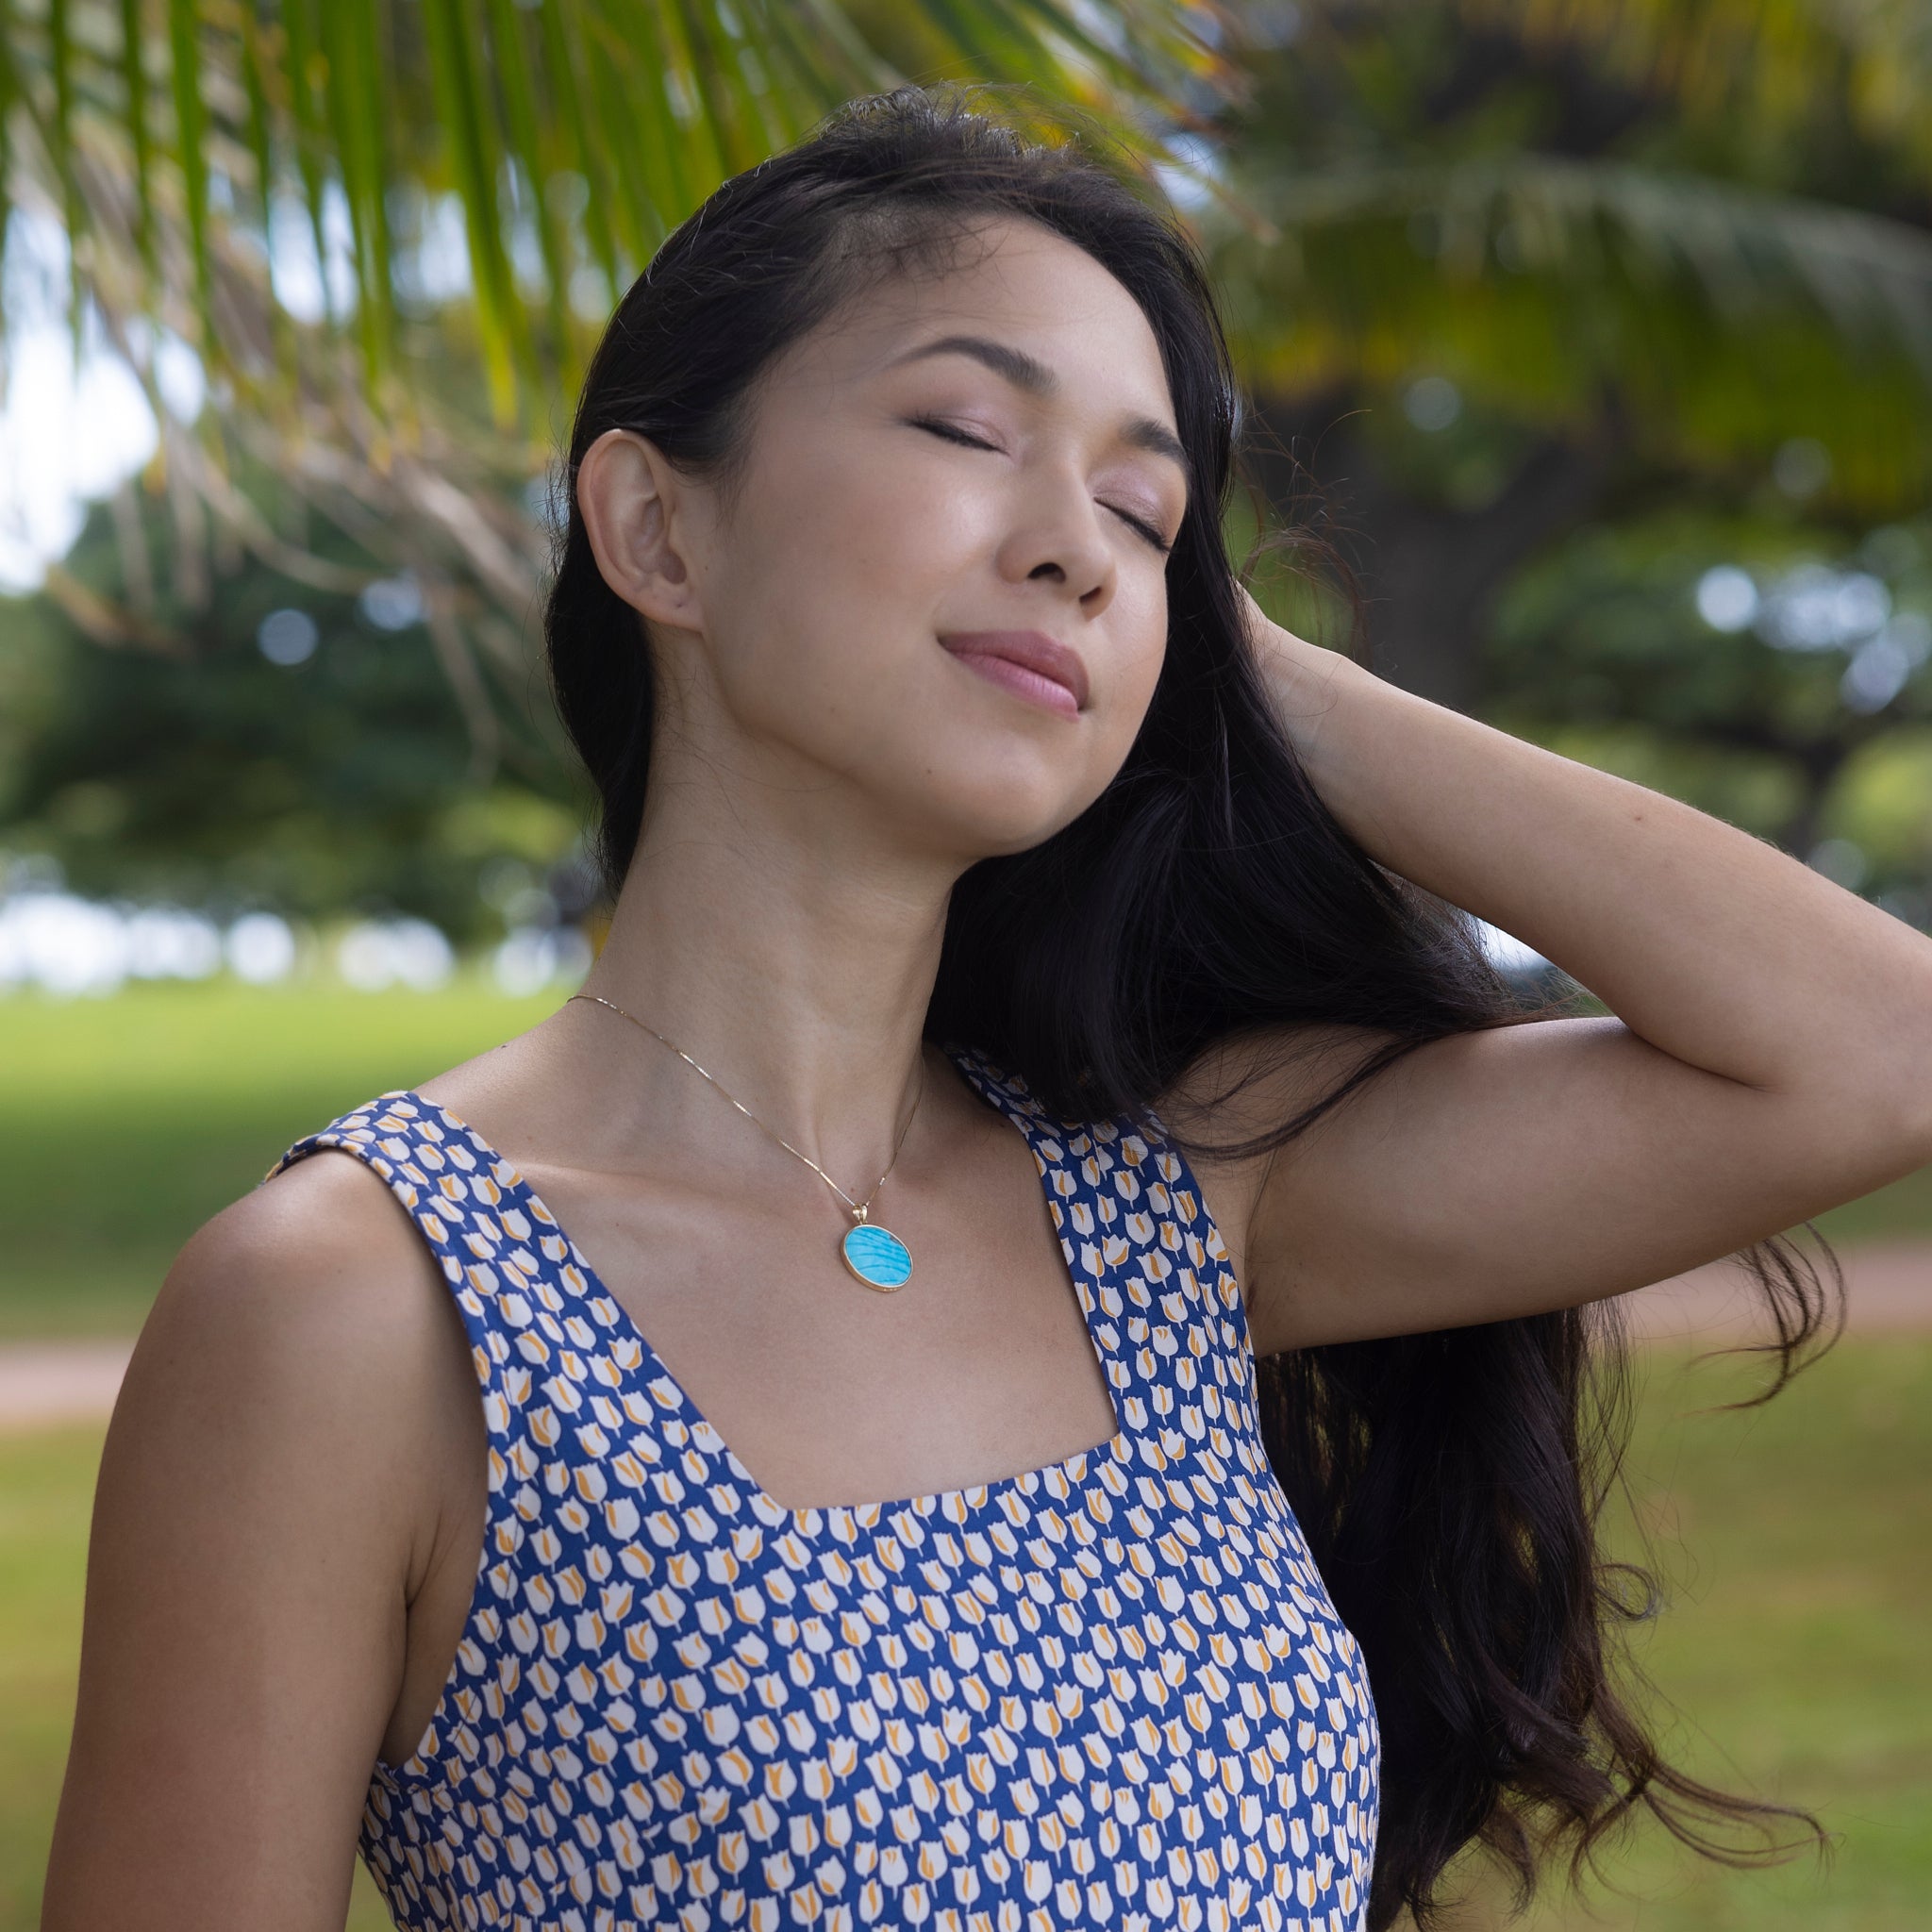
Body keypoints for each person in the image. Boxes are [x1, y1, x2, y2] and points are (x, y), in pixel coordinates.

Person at [41, 84, 1932, 1932]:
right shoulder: (361, 1306)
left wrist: (1238, 664)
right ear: (656, 528)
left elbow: (1872, 1052)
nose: (1079, 542)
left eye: (1141, 504)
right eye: (966, 426)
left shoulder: (1175, 1202)